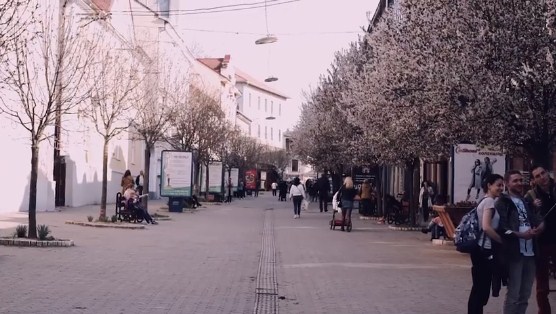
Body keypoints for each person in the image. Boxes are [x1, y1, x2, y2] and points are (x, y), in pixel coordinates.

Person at [495, 170, 541, 314]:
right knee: (514, 292)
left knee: (526, 293)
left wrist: (538, 228)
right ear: (507, 183)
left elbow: (535, 220)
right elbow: (501, 228)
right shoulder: (502, 202)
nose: (520, 183)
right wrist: (521, 235)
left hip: (531, 252)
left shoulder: (525, 201)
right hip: (514, 252)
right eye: (515, 181)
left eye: (521, 180)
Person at [467, 174, 504, 314]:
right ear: (489, 185)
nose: (501, 188)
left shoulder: (486, 200)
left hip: (481, 249)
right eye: (498, 185)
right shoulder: (489, 202)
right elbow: (486, 227)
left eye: (502, 185)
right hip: (484, 251)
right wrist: (501, 241)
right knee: (481, 290)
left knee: (479, 289)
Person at [524, 165, 556, 314]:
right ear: (534, 180)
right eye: (537, 176)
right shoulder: (531, 196)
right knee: (542, 285)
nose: (542, 177)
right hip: (541, 243)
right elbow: (523, 214)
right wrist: (531, 206)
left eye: (543, 173)